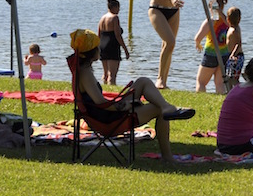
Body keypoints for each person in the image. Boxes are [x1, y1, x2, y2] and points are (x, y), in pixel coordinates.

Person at [70, 29, 194, 164]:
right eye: (97, 47)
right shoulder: (85, 73)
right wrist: (125, 105)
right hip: (108, 121)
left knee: (142, 81)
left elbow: (99, 103)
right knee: (157, 109)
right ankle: (167, 155)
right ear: (91, 52)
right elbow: (100, 102)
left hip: (105, 114)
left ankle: (167, 107)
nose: (100, 49)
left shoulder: (83, 69)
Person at [194, 0, 230, 93]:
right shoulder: (228, 21)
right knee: (219, 83)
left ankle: (200, 101)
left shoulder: (210, 22)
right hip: (224, 55)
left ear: (211, 8)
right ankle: (221, 102)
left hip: (211, 54)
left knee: (201, 81)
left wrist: (198, 44)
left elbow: (197, 38)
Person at [98, 0, 130, 85]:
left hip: (102, 45)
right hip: (112, 45)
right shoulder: (115, 18)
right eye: (118, 8)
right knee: (112, 75)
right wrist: (125, 50)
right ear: (115, 7)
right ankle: (112, 91)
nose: (119, 10)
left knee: (105, 74)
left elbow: (99, 34)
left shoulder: (102, 18)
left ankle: (103, 90)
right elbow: (117, 35)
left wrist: (98, 48)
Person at [224, 6, 244, 90]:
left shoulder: (234, 30)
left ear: (228, 19)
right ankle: (230, 92)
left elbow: (238, 44)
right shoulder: (232, 27)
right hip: (232, 56)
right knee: (229, 76)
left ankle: (240, 90)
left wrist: (233, 54)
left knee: (233, 78)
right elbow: (223, 18)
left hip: (237, 57)